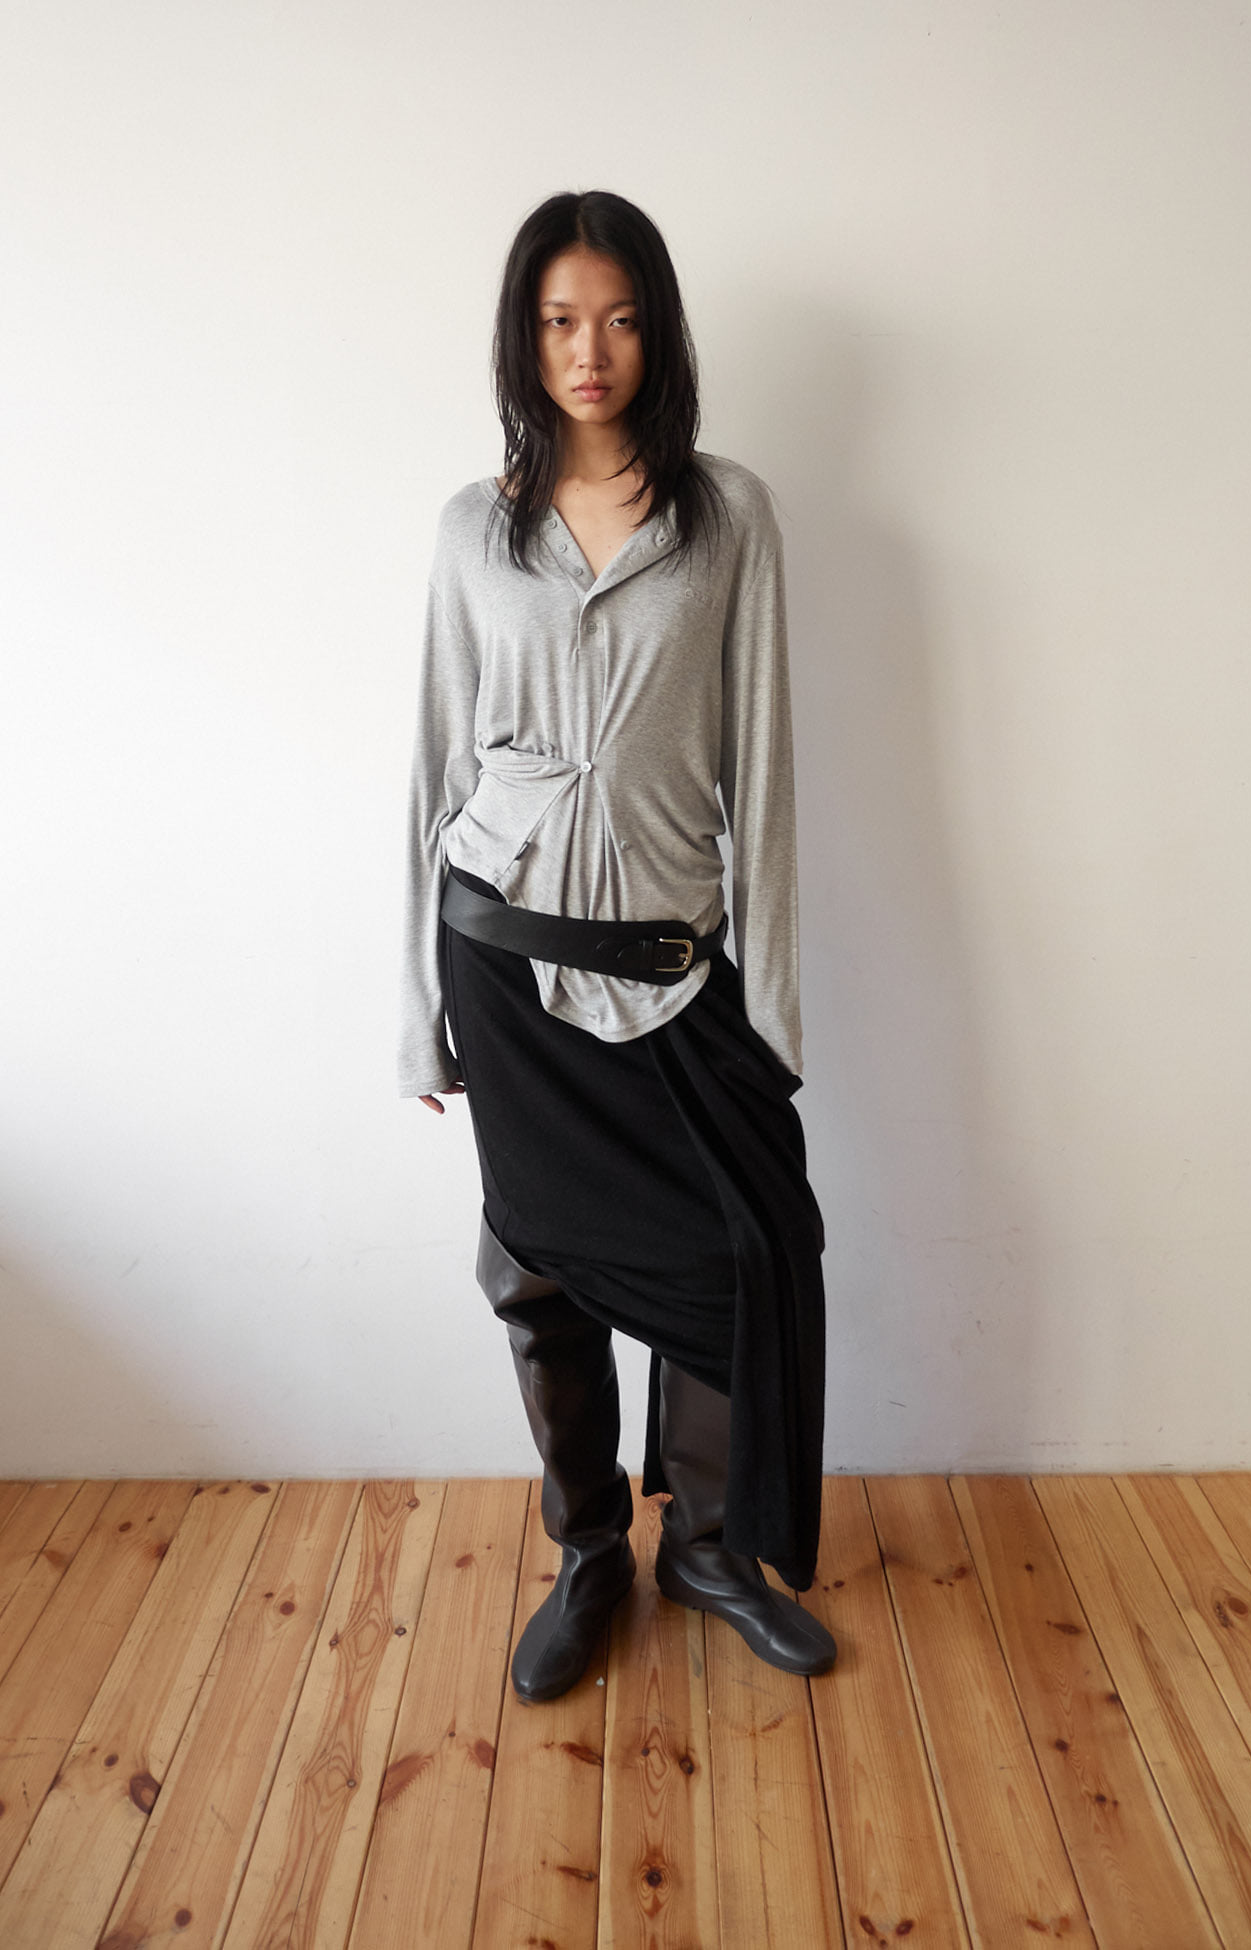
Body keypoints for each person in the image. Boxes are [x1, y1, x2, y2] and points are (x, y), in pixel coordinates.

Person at [398, 188, 835, 1702]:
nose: (591, 350)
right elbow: (434, 771)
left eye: (622, 318)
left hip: (670, 964)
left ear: (660, 333)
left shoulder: (729, 518)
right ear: (525, 338)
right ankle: (589, 1552)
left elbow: (763, 777)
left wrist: (771, 1014)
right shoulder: (475, 531)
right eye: (560, 320)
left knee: (744, 1248)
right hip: (502, 959)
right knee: (539, 1272)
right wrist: (414, 1010)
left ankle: (705, 1549)